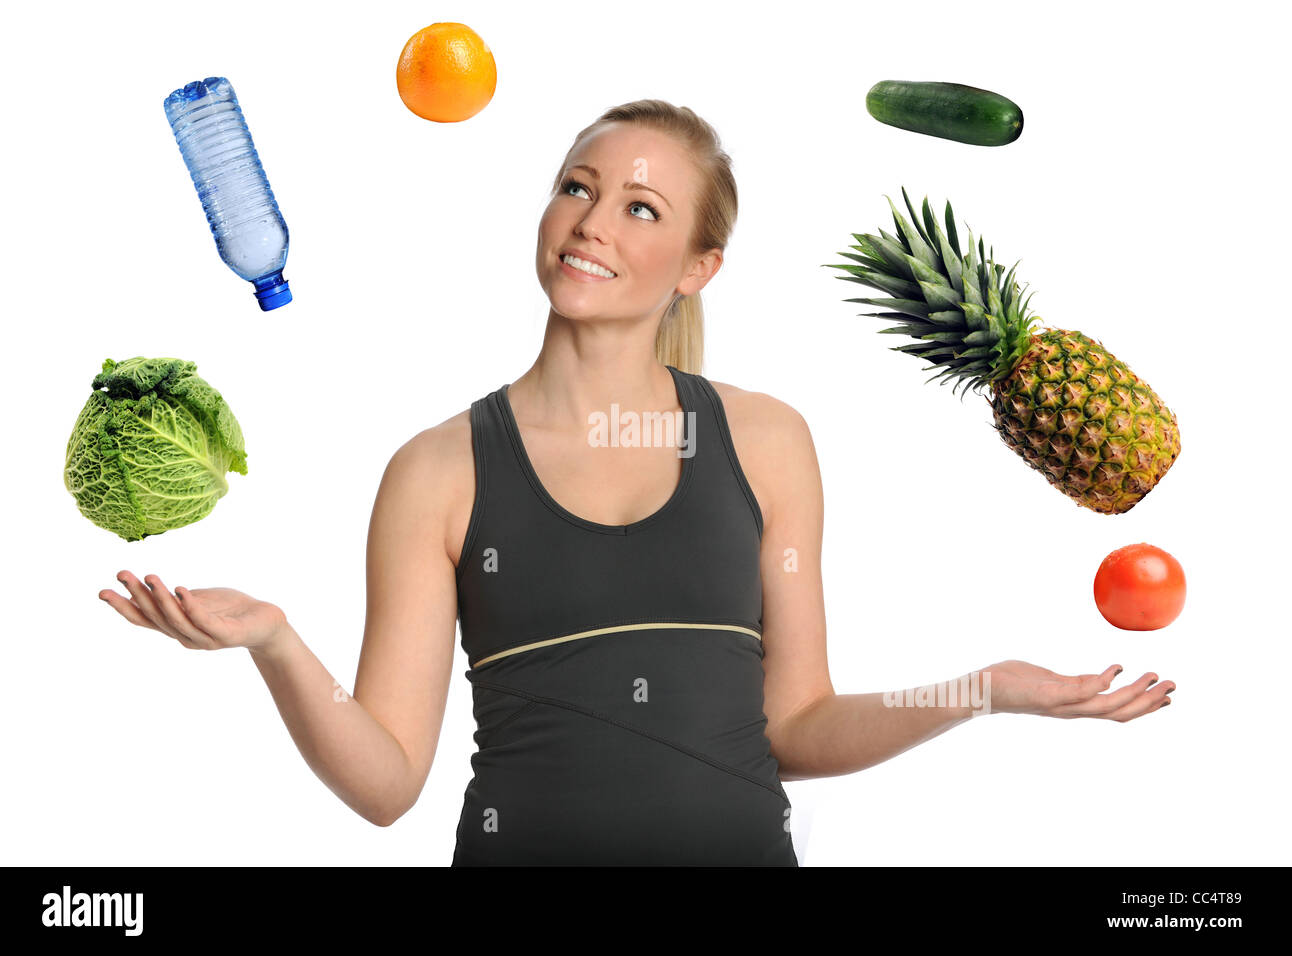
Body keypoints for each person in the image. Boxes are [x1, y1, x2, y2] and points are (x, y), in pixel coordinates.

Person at [97, 99, 1174, 866]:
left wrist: (980, 687)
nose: (593, 223)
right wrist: (279, 642)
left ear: (699, 266)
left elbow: (795, 725)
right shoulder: (434, 470)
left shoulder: (765, 440)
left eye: (642, 210)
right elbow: (385, 785)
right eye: (578, 187)